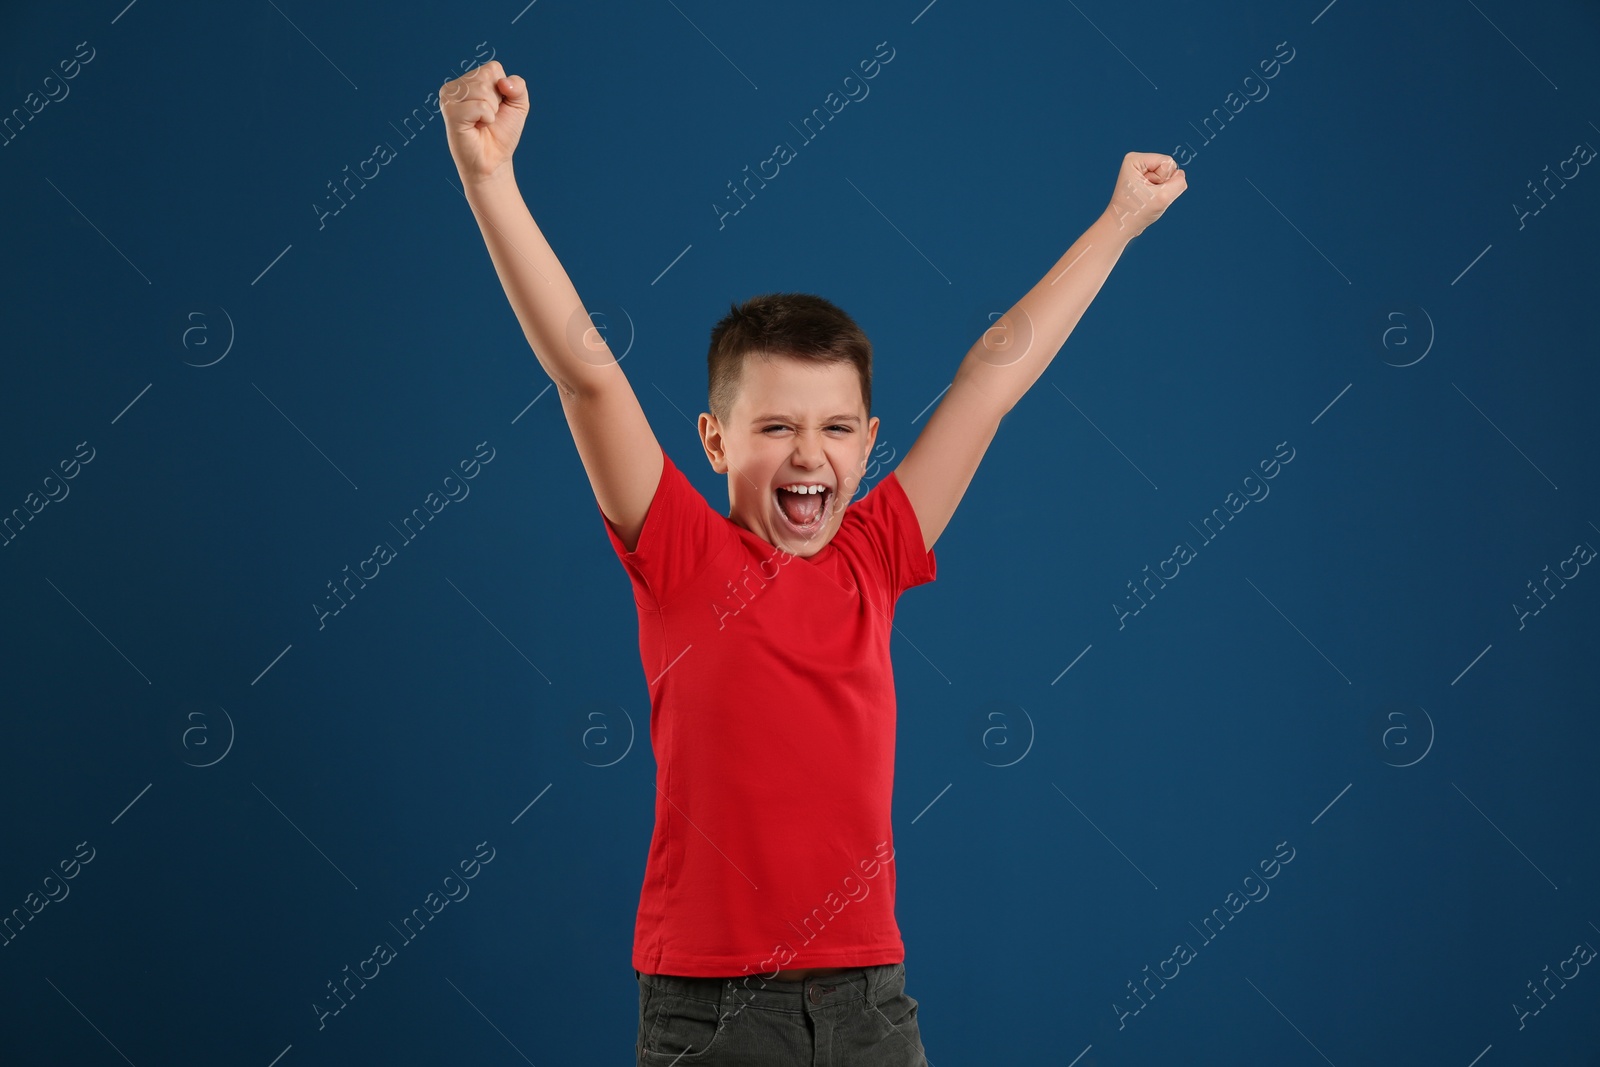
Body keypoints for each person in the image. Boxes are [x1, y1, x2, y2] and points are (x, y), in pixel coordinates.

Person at [440, 58, 1185, 1067]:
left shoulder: (874, 554)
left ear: (869, 441)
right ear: (712, 440)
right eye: (776, 425)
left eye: (836, 428)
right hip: (710, 1009)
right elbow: (584, 372)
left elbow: (991, 379)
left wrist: (1116, 223)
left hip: (870, 1004)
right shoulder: (679, 551)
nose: (807, 453)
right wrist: (490, 178)